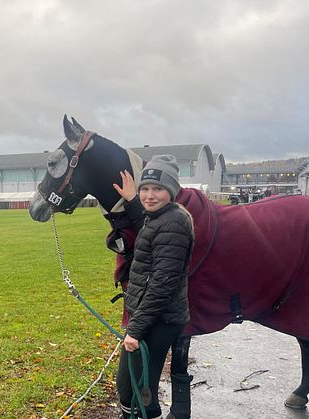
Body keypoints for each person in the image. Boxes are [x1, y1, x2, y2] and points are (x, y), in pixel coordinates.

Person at [111, 155, 194, 419]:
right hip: (153, 317)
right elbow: (146, 226)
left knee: (134, 386)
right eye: (145, 188)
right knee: (133, 385)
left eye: (157, 189)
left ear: (171, 191)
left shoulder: (174, 223)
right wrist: (133, 199)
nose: (150, 195)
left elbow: (162, 285)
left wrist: (135, 330)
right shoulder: (159, 217)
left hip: (159, 318)